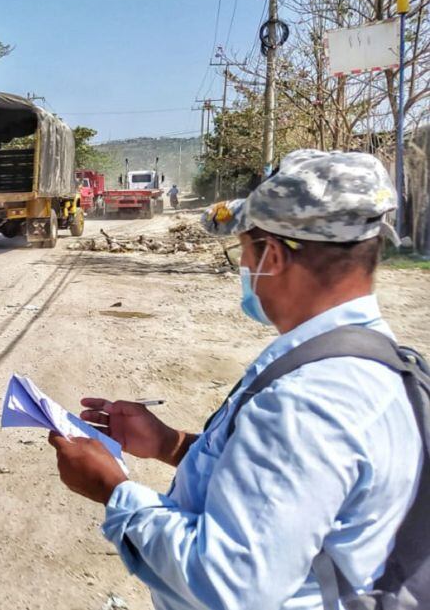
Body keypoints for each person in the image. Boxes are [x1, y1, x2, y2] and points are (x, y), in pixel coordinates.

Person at [45, 150, 423, 609]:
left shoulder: (308, 402)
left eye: (243, 252)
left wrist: (113, 490)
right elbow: (289, 497)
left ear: (275, 256)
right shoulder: (372, 362)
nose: (242, 268)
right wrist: (171, 445)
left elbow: (229, 585)